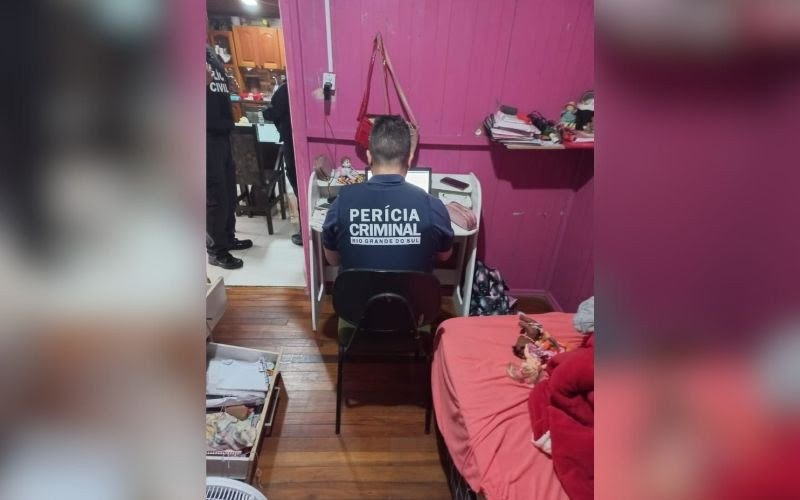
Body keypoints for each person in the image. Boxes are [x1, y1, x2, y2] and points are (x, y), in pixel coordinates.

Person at [322, 115, 454, 273]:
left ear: (369, 157)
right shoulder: (434, 207)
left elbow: (333, 260)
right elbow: (444, 256)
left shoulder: (340, 204)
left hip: (357, 290)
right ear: (410, 158)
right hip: (411, 290)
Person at [206, 44, 251, 269]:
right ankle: (216, 251)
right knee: (214, 197)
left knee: (228, 194)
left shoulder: (211, 54)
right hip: (204, 133)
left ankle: (228, 238)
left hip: (222, 132)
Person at [263, 80, 302, 246]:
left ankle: (304, 230)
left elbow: (271, 113)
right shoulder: (303, 87)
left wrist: (267, 111)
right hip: (299, 141)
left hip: (291, 143)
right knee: (305, 188)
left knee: (299, 187)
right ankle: (306, 230)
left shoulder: (284, 90)